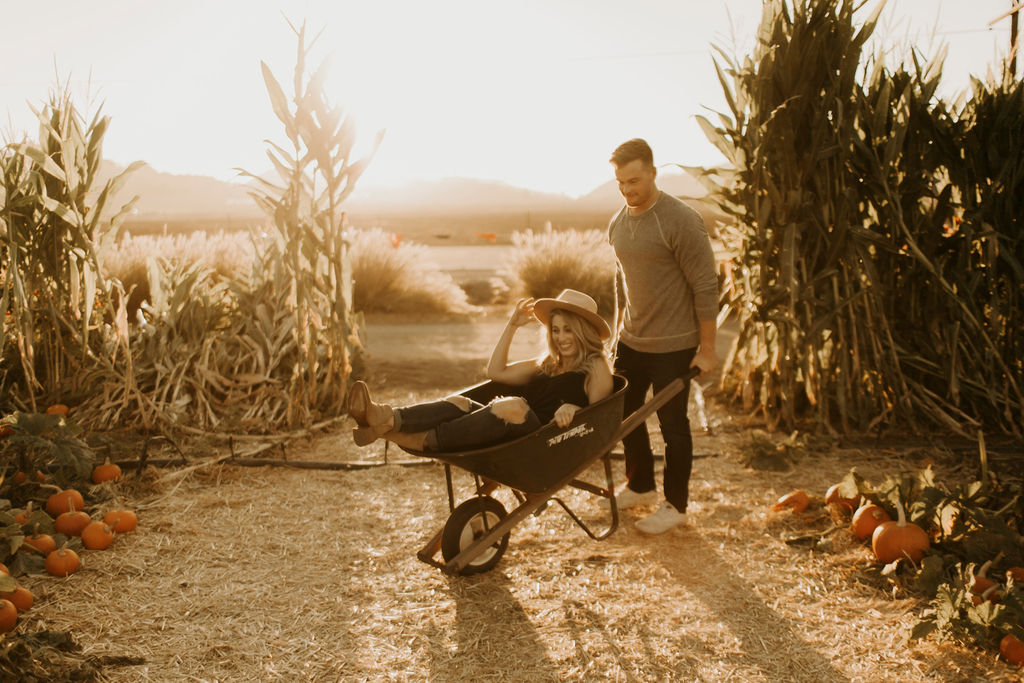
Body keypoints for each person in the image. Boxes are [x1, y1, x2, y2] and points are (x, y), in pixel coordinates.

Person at [607, 138, 719, 534]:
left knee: (673, 427)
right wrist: (617, 331)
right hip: (631, 341)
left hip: (675, 344)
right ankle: (640, 486)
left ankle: (676, 506)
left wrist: (707, 349)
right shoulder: (618, 222)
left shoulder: (680, 220)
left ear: (653, 172)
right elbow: (622, 281)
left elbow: (706, 286)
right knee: (623, 414)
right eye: (620, 182)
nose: (627, 190)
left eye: (634, 180)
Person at [346, 289, 614, 453]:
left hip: (542, 444)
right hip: (509, 427)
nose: (561, 337)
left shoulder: (596, 367)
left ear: (583, 332)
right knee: (460, 402)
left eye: (568, 330)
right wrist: (512, 326)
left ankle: (417, 436)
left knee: (513, 405)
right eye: (555, 330)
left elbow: (600, 423)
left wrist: (575, 410)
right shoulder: (546, 363)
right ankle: (384, 419)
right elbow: (495, 372)